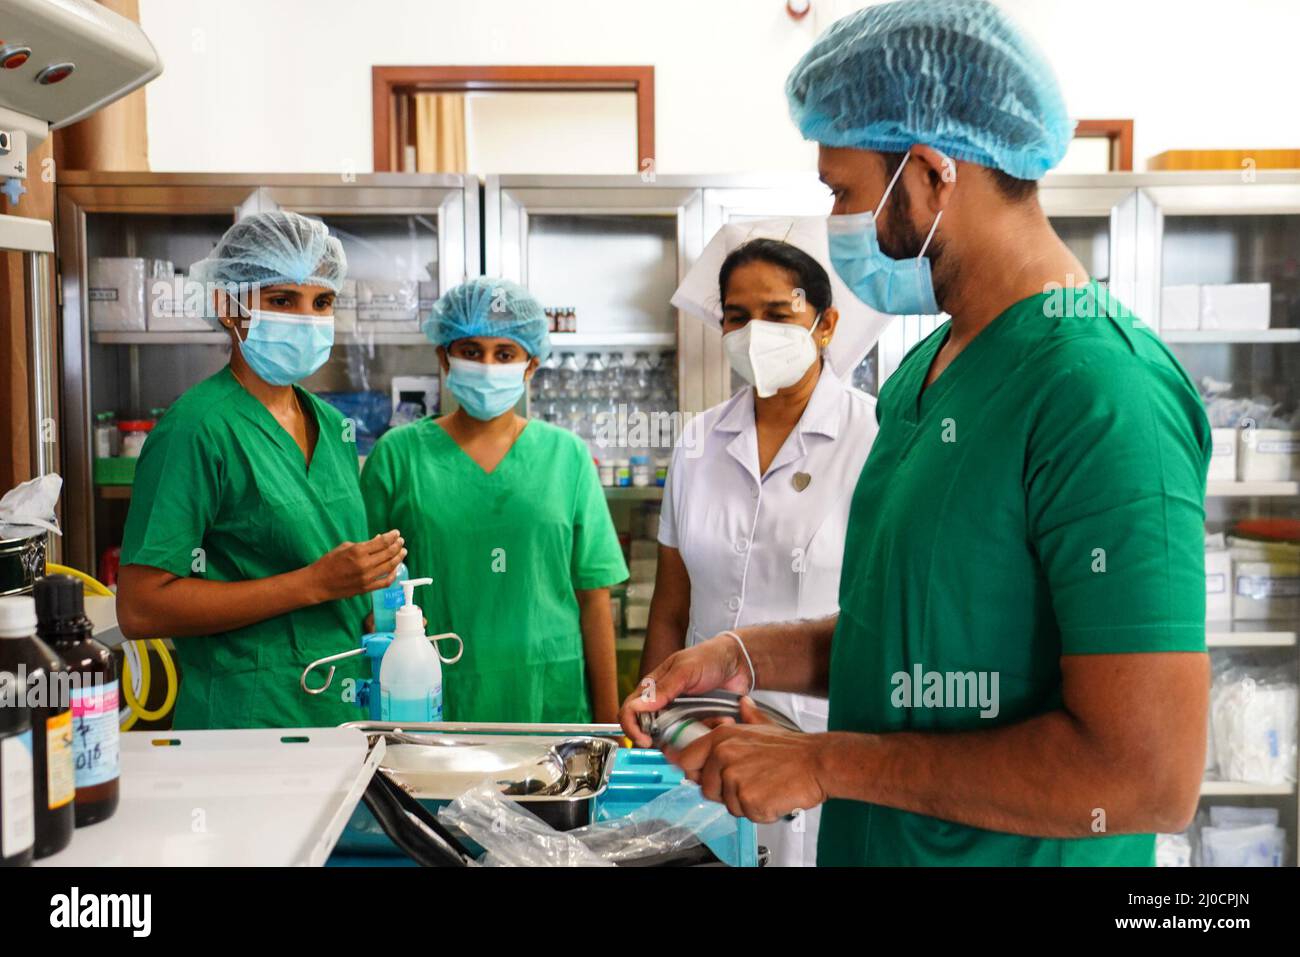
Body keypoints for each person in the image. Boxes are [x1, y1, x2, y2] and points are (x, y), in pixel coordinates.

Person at [623, 0, 1211, 866]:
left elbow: (1144, 776)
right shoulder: (922, 374)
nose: (836, 223)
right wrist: (745, 655)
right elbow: (901, 641)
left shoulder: (1101, 391)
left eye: (843, 192)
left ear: (933, 172)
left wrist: (823, 762)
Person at [117, 210, 405, 729]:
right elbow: (141, 609)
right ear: (227, 306)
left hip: (340, 711)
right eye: (280, 300)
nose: (307, 318)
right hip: (249, 722)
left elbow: (332, 573)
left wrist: (380, 613)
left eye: (321, 302)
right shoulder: (197, 429)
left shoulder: (333, 428)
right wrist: (313, 584)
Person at [643, 238, 877, 866]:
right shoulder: (698, 441)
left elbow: (886, 617)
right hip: (697, 743)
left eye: (778, 314)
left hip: (818, 749)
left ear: (825, 325)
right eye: (737, 316)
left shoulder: (876, 439)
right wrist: (650, 710)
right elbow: (671, 606)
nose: (754, 333)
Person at [359, 277, 627, 723]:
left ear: (530, 364)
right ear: (444, 358)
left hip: (547, 696)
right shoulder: (398, 454)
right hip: (428, 693)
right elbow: (361, 588)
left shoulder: (567, 455)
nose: (486, 365)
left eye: (504, 354)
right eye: (470, 351)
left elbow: (594, 599)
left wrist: (609, 727)